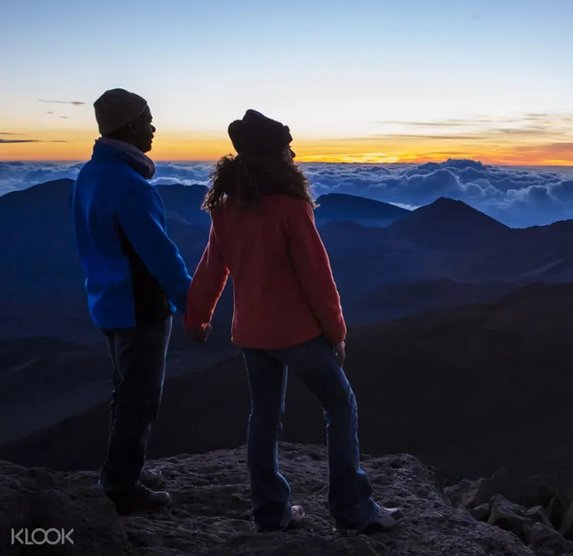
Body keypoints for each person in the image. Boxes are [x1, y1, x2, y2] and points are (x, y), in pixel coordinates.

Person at [184, 109, 403, 534]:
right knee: (340, 405)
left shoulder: (227, 205)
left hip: (251, 333)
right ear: (274, 154)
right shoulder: (291, 206)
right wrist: (336, 332)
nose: (293, 152)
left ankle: (271, 511)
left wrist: (198, 317)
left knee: (264, 416)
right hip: (297, 333)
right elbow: (316, 275)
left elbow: (213, 267)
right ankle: (352, 510)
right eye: (287, 146)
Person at [71, 88, 191, 513]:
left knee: (124, 392)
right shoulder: (131, 186)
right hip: (139, 307)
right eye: (148, 120)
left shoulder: (89, 176)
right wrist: (190, 302)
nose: (154, 128)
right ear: (130, 125)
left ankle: (123, 469)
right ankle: (122, 486)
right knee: (140, 397)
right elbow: (160, 254)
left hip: (105, 301)